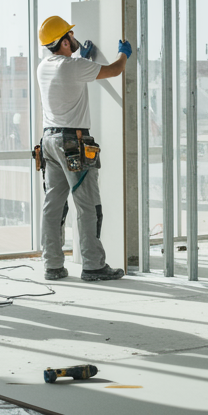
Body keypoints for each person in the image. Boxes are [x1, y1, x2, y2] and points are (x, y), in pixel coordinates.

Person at [37, 15, 131, 282]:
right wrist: (123, 54)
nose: (74, 39)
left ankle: (53, 265)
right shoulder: (74, 66)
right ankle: (92, 265)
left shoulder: (44, 66)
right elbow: (114, 70)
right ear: (65, 41)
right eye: (71, 35)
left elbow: (71, 79)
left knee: (53, 206)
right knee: (87, 204)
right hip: (74, 144)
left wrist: (86, 61)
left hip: (50, 142)